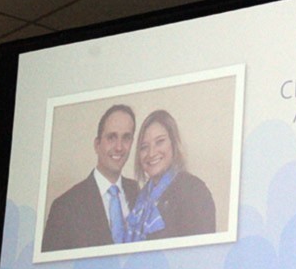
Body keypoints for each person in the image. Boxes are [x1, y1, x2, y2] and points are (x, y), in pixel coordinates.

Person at [42, 104, 139, 252]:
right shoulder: (64, 207)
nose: (119, 147)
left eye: (126, 138)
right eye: (111, 137)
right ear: (97, 145)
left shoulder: (139, 193)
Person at [125, 109, 215, 241]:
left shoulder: (194, 191)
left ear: (174, 143)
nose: (151, 153)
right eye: (144, 147)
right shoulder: (139, 201)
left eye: (159, 142)